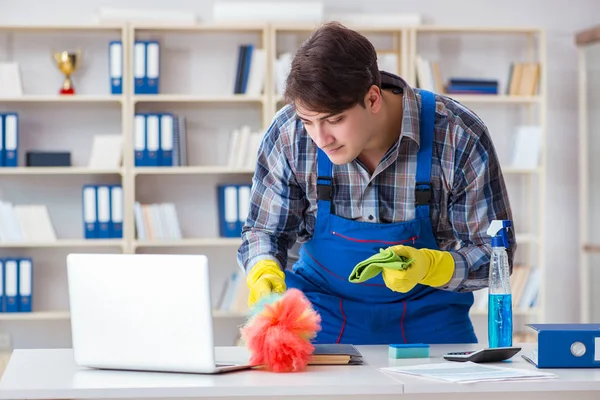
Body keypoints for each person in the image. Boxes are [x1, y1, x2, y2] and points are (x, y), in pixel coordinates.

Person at [237, 21, 515, 345]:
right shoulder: (289, 134)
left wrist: (433, 266)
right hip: (319, 316)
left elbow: (498, 255)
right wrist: (263, 270)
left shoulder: (458, 135)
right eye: (309, 122)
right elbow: (264, 231)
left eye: (335, 120)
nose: (321, 138)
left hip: (431, 319)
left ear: (372, 98)